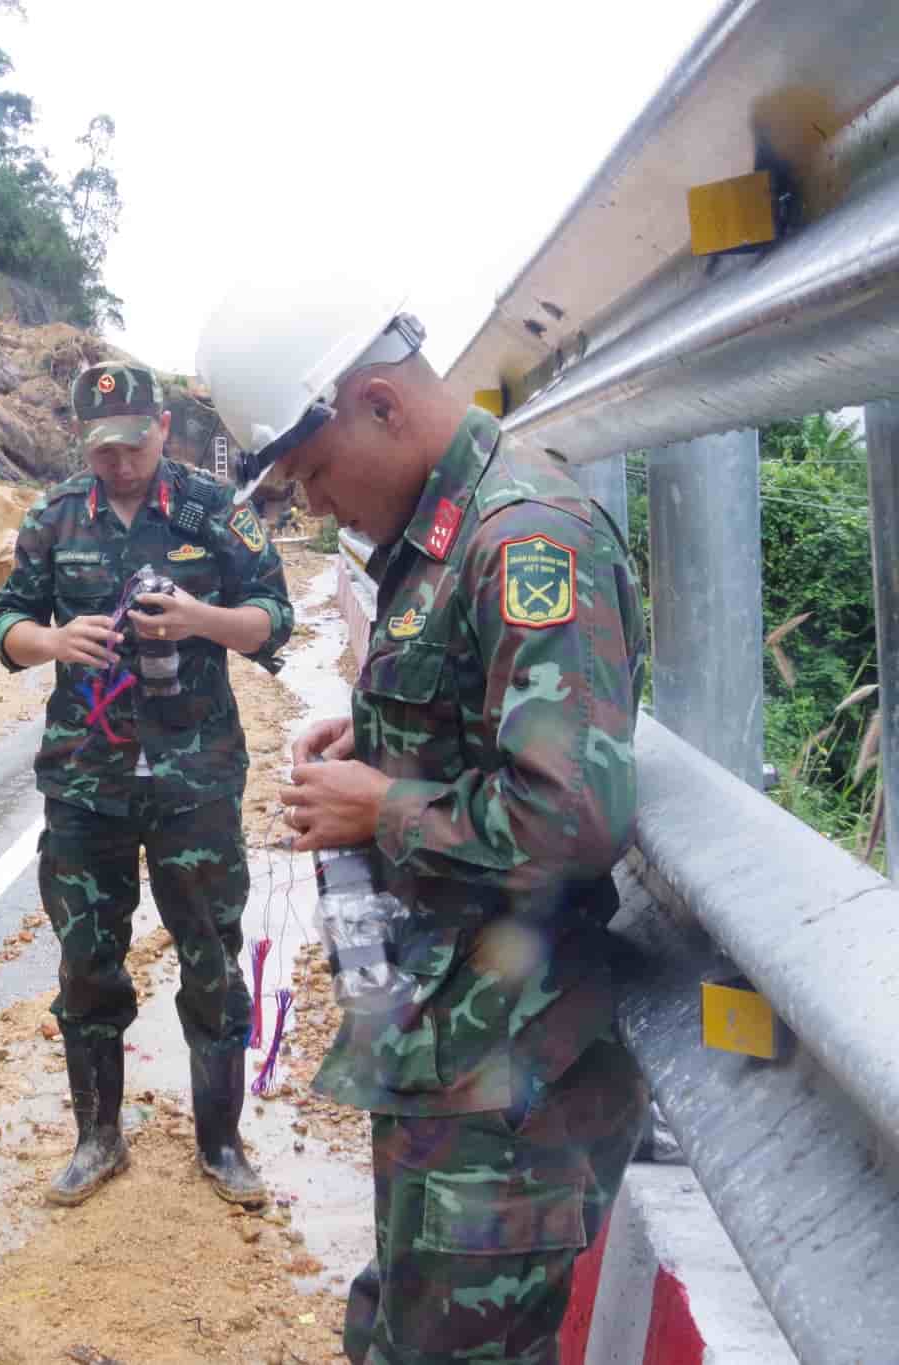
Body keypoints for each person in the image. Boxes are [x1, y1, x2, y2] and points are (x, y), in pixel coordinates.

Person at [197, 284, 650, 1364]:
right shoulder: (438, 537)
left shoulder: (526, 540)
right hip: (449, 1040)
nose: (317, 508)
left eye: (312, 476)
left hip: (512, 1077)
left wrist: (380, 807)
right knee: (398, 1327)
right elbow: (480, 724)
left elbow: (574, 815)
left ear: (379, 406)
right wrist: (371, 744)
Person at [0, 363, 294, 1209]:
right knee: (87, 959)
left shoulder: (213, 510)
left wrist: (200, 619)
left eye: (131, 444)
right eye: (101, 449)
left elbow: (276, 615)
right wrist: (54, 642)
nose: (118, 463)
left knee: (211, 956)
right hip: (88, 783)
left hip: (195, 777)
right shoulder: (54, 518)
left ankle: (221, 1143)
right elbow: (5, 622)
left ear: (162, 427)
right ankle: (98, 1137)